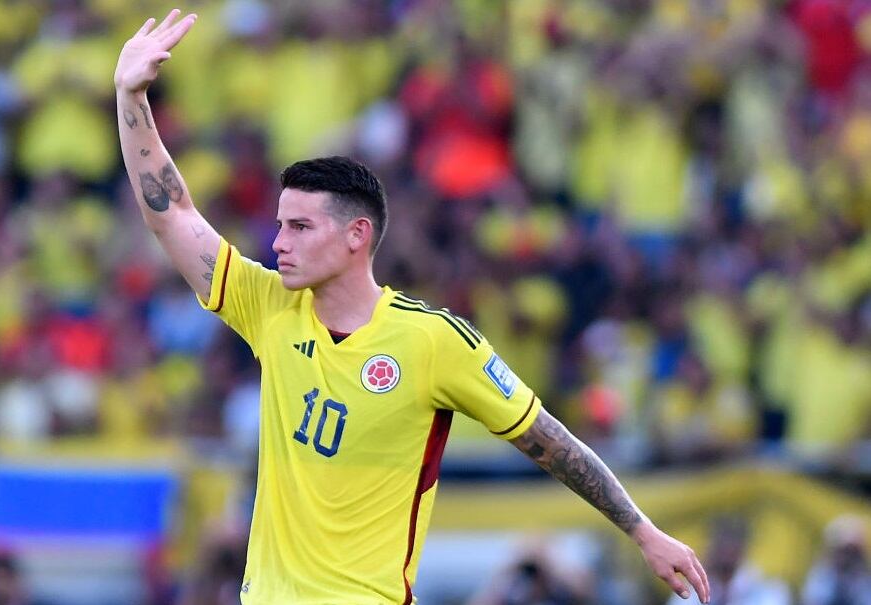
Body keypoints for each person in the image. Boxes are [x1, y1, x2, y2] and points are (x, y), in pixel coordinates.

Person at [114, 10, 711, 604]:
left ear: (356, 236)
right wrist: (130, 95)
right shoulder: (266, 303)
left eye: (298, 227)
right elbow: (173, 213)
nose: (278, 244)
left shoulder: (434, 342)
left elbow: (546, 439)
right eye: (278, 226)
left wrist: (641, 530)